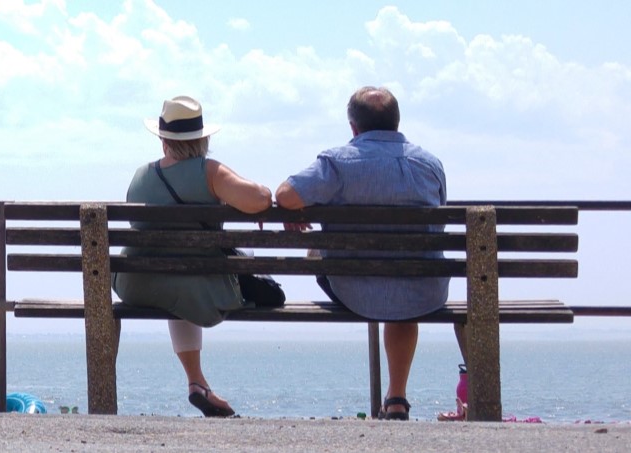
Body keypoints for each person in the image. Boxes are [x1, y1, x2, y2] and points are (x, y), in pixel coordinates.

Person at [276, 86, 449, 421]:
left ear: (353, 127)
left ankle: (393, 397)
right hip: (422, 289)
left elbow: (285, 195)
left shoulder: (338, 163)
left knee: (319, 249)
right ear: (397, 123)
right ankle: (396, 398)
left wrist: (302, 209)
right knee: (405, 276)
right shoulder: (431, 165)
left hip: (352, 289)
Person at [113, 95, 271, 418]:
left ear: (163, 142)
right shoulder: (209, 172)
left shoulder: (141, 177)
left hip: (135, 282)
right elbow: (260, 198)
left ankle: (196, 383)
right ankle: (197, 382)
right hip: (199, 288)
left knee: (176, 278)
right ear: (203, 139)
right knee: (188, 277)